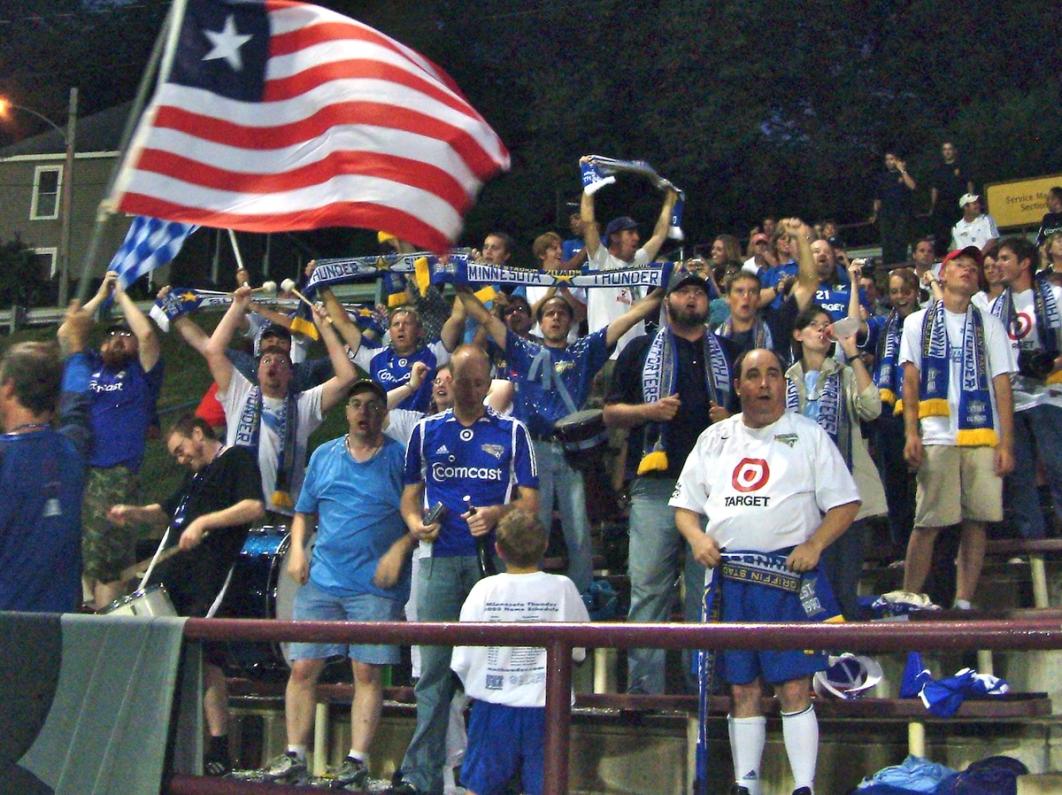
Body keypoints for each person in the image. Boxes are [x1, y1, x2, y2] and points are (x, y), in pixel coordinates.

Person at [671, 348, 860, 795]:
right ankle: (746, 785)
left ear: (783, 383)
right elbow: (684, 508)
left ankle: (804, 786)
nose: (764, 383)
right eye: (753, 375)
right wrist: (697, 539)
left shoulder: (809, 435)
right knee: (742, 687)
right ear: (738, 386)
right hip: (730, 582)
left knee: (794, 685)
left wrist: (814, 544)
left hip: (788, 582)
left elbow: (846, 503)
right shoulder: (715, 438)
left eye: (773, 374)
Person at [392, 345, 538, 795]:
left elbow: (530, 503)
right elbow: (409, 496)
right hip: (438, 560)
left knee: (498, 668)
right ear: (449, 381)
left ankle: (500, 773)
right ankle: (420, 776)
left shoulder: (513, 431)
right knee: (433, 673)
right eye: (465, 382)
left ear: (488, 383)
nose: (473, 391)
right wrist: (415, 525)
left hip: (493, 565)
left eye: (480, 383)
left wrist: (496, 514)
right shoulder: (426, 431)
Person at [458, 283, 665, 593]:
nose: (555, 318)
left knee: (578, 531)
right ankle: (527, 592)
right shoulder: (523, 350)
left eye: (561, 314)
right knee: (531, 525)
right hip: (533, 449)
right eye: (549, 313)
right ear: (539, 322)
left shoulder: (585, 350)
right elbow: (486, 319)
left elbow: (631, 316)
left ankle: (581, 597)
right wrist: (457, 284)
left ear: (570, 321)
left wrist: (662, 285)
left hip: (572, 451)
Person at [261, 380, 412, 788]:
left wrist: (400, 549)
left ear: (383, 413)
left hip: (375, 586)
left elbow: (420, 516)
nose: (364, 412)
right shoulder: (324, 455)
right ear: (346, 412)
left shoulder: (400, 459)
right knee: (303, 666)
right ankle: (295, 754)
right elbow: (303, 512)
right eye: (356, 404)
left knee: (367, 672)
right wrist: (297, 550)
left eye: (372, 406)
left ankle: (357, 760)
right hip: (323, 580)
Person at [604, 270, 739, 694]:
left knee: (706, 591)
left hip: (714, 490)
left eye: (699, 292)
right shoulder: (640, 349)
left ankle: (704, 690)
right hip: (656, 484)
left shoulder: (730, 353)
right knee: (648, 589)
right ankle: (645, 690)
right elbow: (610, 413)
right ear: (668, 302)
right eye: (684, 292)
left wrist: (732, 419)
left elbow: (757, 419)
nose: (692, 298)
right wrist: (649, 412)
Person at [107, 414, 264, 776]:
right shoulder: (195, 476)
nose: (180, 459)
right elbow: (166, 512)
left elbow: (253, 506)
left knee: (206, 660)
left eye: (181, 450)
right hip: (177, 580)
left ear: (197, 433)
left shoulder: (236, 459)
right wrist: (133, 513)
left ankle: (219, 747)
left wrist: (205, 522)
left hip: (211, 578)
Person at [899, 246, 1016, 609]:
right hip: (937, 432)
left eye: (973, 268)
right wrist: (911, 433)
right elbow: (910, 382)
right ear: (943, 274)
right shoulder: (916, 322)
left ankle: (964, 600)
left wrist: (1006, 444)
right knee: (928, 522)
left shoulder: (990, 325)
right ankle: (908, 598)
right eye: (960, 265)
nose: (967, 270)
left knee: (977, 520)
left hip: (982, 433)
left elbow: (1002, 385)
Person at [450, 509, 589, 795]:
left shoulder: (483, 590)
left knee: (480, 787)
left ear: (498, 550)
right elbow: (579, 651)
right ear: (545, 545)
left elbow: (462, 660)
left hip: (494, 705)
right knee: (547, 786)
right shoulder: (563, 588)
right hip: (547, 706)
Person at [201, 285, 356, 516]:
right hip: (235, 512)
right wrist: (237, 306)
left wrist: (324, 328)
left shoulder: (303, 404)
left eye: (281, 362)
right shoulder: (240, 392)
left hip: (284, 514)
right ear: (257, 371)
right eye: (266, 361)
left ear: (290, 374)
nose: (273, 363)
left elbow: (347, 377)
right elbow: (213, 350)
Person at [60, 270, 164, 610]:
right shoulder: (90, 364)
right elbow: (68, 332)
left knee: (109, 564)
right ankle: (86, 614)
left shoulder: (140, 374)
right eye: (111, 335)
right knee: (77, 556)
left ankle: (106, 623)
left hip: (114, 475)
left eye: (124, 335)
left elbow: (146, 335)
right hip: (77, 471)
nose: (118, 339)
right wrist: (100, 295)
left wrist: (121, 296)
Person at [785, 303, 887, 619]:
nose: (821, 329)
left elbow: (872, 409)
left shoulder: (845, 374)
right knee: (810, 591)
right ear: (798, 334)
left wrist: (852, 353)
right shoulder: (784, 379)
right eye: (813, 324)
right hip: (800, 496)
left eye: (825, 324)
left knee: (844, 589)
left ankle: (847, 649)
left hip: (845, 495)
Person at [0, 302, 93, 612]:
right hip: (57, 629)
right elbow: (77, 405)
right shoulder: (72, 451)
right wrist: (76, 349)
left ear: (9, 388)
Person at [989, 237, 1062, 540]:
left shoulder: (1055, 297)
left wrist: (1049, 365)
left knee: (1058, 468)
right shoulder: (994, 307)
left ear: (1025, 263)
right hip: (1012, 401)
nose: (998, 264)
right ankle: (1035, 546)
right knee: (1019, 478)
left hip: (1050, 395)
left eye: (1005, 258)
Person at [579, 165, 680, 358]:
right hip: (606, 356)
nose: (637, 237)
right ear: (614, 237)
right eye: (630, 233)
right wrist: (588, 183)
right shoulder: (601, 261)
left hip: (634, 356)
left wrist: (669, 200)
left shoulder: (637, 261)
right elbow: (588, 224)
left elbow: (659, 235)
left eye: (636, 232)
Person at [862, 267, 922, 553]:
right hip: (888, 410)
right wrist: (854, 284)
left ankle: (935, 546)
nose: (900, 297)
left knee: (928, 481)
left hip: (925, 406)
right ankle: (901, 545)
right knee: (894, 482)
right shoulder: (883, 324)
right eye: (895, 291)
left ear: (916, 292)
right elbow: (856, 327)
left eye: (906, 291)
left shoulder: (930, 321)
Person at [340, 296, 463, 413]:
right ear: (390, 333)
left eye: (407, 323)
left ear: (420, 332)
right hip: (382, 424)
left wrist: (461, 283)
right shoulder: (376, 358)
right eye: (396, 324)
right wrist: (327, 290)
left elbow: (457, 318)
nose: (401, 328)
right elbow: (344, 324)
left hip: (420, 422)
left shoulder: (433, 353)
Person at [928, 141, 976, 257]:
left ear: (954, 151)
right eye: (945, 149)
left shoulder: (962, 166)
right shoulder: (938, 169)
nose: (947, 152)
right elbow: (935, 188)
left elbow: (969, 184)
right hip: (943, 206)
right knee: (942, 235)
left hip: (959, 206)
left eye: (949, 149)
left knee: (963, 232)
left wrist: (971, 201)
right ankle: (942, 258)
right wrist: (933, 206)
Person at [870, 150, 917, 266]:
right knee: (887, 243)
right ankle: (888, 268)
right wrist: (875, 214)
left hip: (902, 214)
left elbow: (912, 186)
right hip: (886, 215)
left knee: (900, 241)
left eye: (891, 159)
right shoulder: (882, 177)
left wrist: (902, 170)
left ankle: (901, 265)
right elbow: (877, 198)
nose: (889, 162)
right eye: (887, 159)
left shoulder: (904, 174)